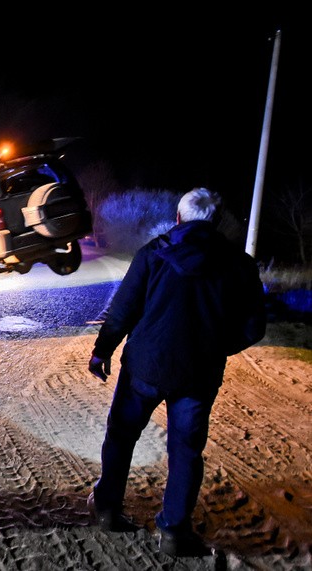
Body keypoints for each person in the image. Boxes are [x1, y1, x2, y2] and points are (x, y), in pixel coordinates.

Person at [86, 187, 266, 557]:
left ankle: (106, 508)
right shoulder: (239, 264)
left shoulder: (153, 254)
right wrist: (216, 347)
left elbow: (123, 309)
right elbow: (253, 327)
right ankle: (173, 531)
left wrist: (102, 351)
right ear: (216, 221)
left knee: (121, 435)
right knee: (185, 450)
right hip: (198, 376)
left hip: (144, 367)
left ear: (179, 218)